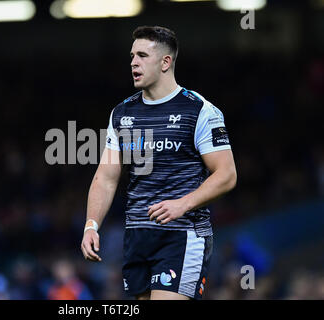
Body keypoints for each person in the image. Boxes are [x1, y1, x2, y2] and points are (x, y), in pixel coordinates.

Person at [80, 26, 237, 300]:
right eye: (131, 56)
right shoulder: (122, 113)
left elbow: (226, 174)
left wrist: (183, 204)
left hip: (182, 235)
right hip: (138, 236)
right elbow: (106, 177)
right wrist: (91, 225)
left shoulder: (199, 110)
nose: (133, 62)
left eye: (142, 55)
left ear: (166, 62)